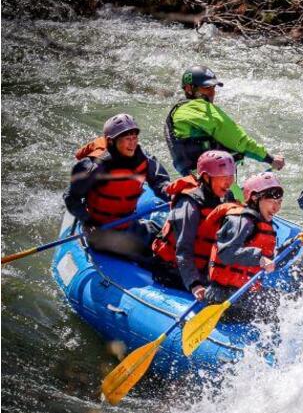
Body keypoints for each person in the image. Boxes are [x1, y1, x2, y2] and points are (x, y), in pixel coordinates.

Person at [64, 113, 170, 261]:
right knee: (153, 258)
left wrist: (176, 196)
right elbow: (71, 198)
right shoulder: (94, 166)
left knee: (170, 242)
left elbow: (161, 184)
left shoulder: (144, 159)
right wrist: (87, 220)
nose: (132, 144)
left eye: (134, 138)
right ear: (111, 141)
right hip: (102, 232)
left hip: (129, 224)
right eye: (127, 139)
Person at [165, 65, 285, 176]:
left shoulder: (177, 111)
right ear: (189, 88)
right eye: (206, 88)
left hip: (193, 176)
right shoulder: (199, 108)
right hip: (214, 177)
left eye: (213, 88)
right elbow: (238, 141)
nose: (212, 93)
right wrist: (269, 159)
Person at [151, 150, 237, 299]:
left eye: (231, 176)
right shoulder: (189, 205)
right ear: (205, 177)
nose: (229, 182)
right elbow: (183, 250)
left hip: (203, 267)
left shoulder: (226, 198)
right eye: (223, 177)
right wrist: (194, 283)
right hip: (173, 269)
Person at [204, 172, 284, 318]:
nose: (276, 207)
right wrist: (259, 258)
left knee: (281, 300)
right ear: (254, 197)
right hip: (222, 296)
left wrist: (294, 245)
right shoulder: (241, 221)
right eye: (272, 201)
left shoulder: (263, 225)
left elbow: (270, 260)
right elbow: (226, 252)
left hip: (242, 294)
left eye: (279, 202)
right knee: (274, 308)